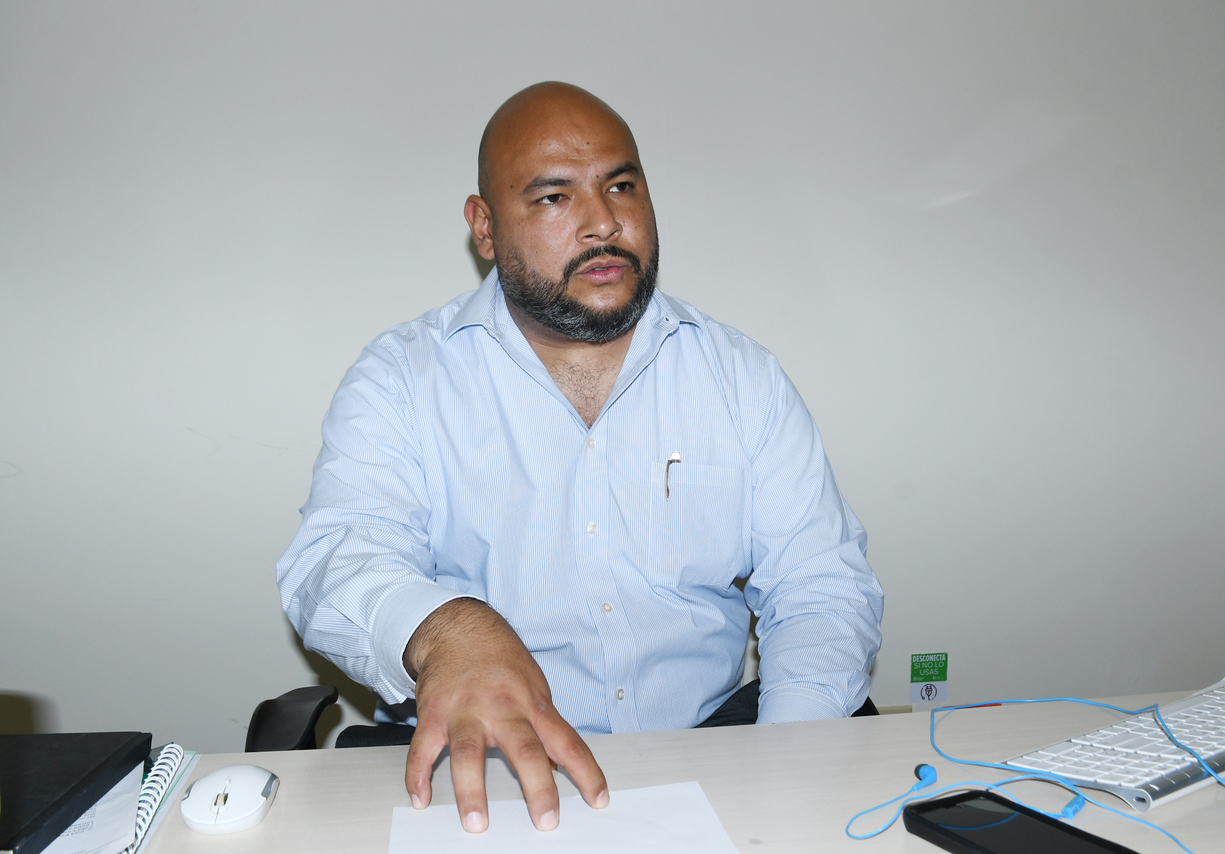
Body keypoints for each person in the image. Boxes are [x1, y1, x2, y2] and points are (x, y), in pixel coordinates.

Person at [277, 81, 884, 834]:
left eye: (621, 186)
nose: (604, 222)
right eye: (554, 197)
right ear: (485, 227)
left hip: (710, 751)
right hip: (484, 772)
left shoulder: (740, 378)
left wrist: (785, 766)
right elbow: (335, 556)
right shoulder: (403, 378)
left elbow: (820, 584)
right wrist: (447, 629)